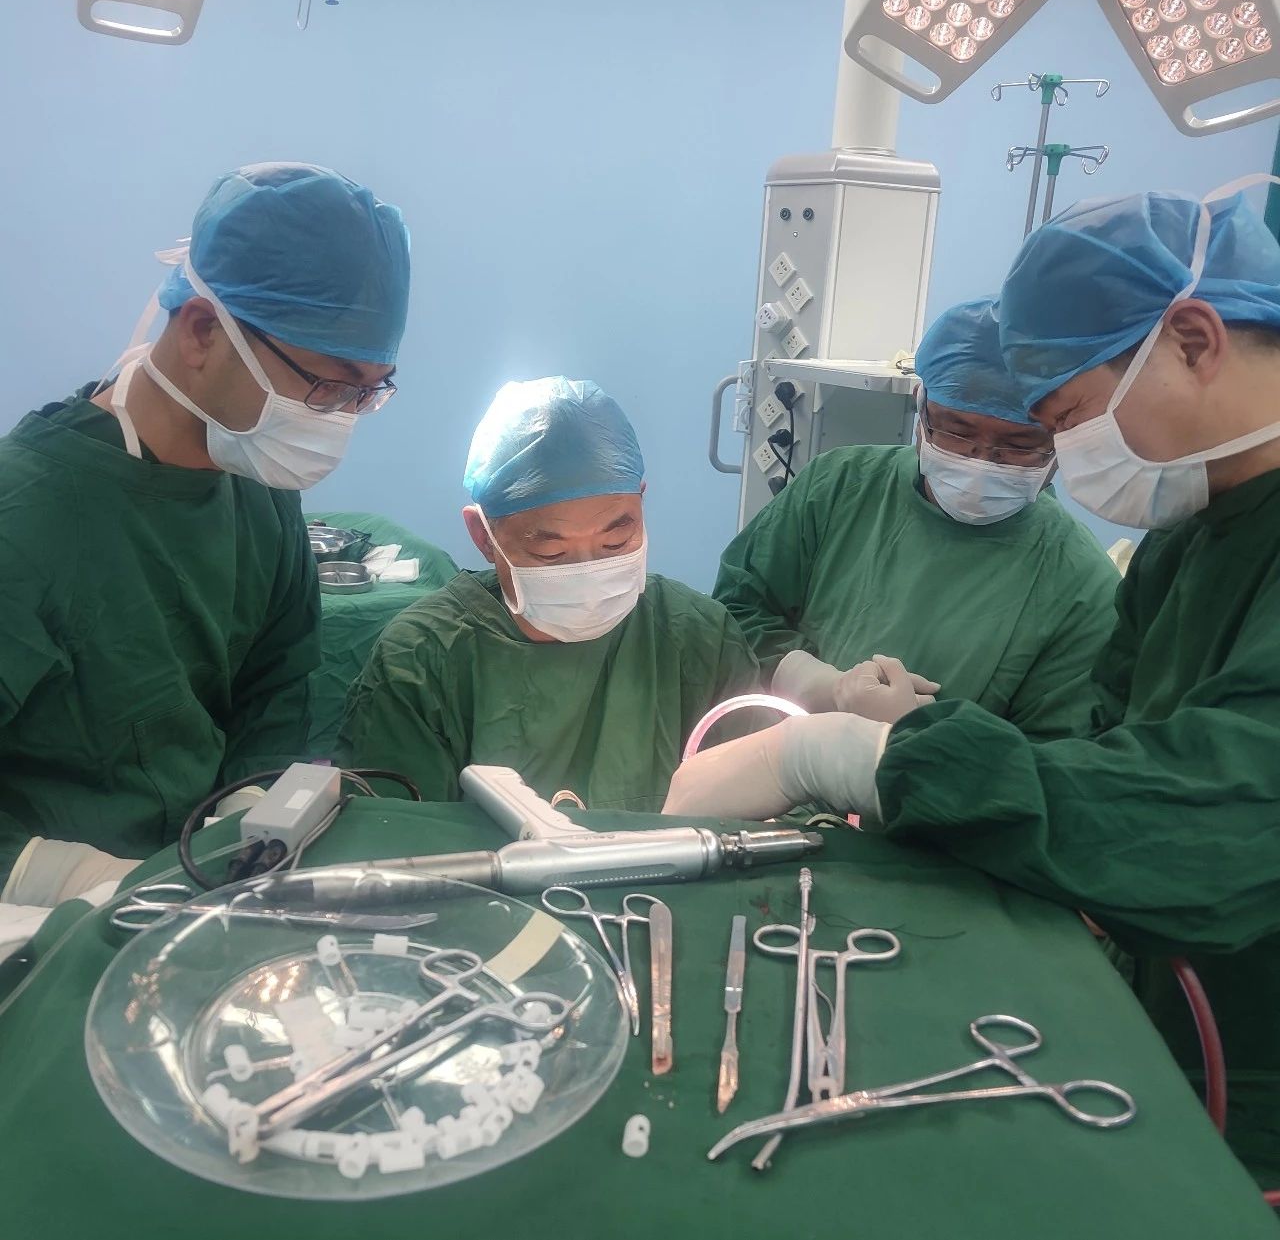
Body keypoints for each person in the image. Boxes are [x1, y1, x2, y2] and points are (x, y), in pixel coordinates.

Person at [664, 187, 1280, 1188]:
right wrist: (906, 725)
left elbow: (1216, 820)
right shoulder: (1185, 545)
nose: (1063, 455)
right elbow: (1100, 760)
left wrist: (863, 753)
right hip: (1164, 1016)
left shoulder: (1127, 564)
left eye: (1061, 423)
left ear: (1194, 340)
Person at [0, 162, 411, 907]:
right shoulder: (25, 518)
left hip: (205, 889)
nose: (340, 418)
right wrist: (59, 877)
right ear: (201, 331)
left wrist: (246, 815)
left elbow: (278, 688)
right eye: (327, 385)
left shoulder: (259, 486)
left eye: (368, 392)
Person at [339, 376, 759, 808]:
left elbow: (756, 809)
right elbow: (397, 832)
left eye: (616, 543)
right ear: (483, 536)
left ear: (641, 503)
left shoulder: (698, 637)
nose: (588, 572)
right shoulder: (421, 661)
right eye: (551, 553)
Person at [715, 297, 1118, 735]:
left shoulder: (1081, 586)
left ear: (1063, 434)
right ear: (920, 407)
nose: (980, 460)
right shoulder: (838, 486)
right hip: (768, 760)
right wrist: (816, 684)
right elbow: (733, 615)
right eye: (956, 431)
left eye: (1019, 444)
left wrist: (926, 739)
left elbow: (1058, 757)